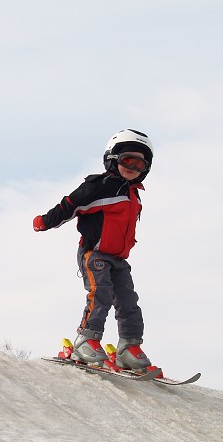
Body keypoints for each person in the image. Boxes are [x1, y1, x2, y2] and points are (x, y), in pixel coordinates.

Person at [32, 129, 157, 371]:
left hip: (119, 259)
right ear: (112, 159)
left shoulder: (134, 196)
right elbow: (71, 204)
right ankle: (86, 340)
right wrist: (45, 221)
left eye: (140, 164)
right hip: (95, 254)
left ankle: (129, 347)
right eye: (127, 160)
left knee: (129, 302)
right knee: (100, 294)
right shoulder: (100, 186)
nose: (133, 167)